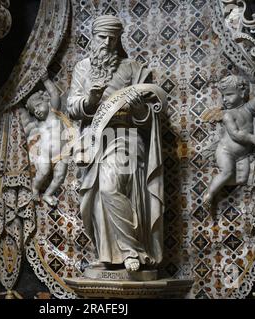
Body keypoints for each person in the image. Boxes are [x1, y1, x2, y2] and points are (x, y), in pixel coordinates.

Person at [67, 15, 164, 273]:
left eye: (112, 37)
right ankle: (107, 254)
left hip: (125, 138)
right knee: (97, 198)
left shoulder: (133, 69)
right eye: (102, 36)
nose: (107, 42)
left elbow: (152, 113)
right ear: (93, 37)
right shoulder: (83, 68)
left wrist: (139, 107)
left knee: (110, 189)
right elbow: (72, 106)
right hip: (94, 141)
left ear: (119, 39)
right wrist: (90, 100)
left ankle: (132, 250)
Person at [203, 75, 255, 209]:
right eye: (223, 96)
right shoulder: (228, 115)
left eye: (229, 95)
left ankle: (223, 181)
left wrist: (253, 80)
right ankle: (210, 193)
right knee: (227, 171)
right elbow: (235, 134)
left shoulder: (248, 109)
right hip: (226, 152)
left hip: (243, 155)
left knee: (243, 179)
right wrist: (251, 138)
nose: (224, 99)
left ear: (242, 93)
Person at [25, 74, 70, 207]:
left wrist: (45, 79)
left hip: (62, 153)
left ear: (46, 101)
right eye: (34, 111)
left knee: (60, 176)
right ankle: (35, 188)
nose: (37, 111)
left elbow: (54, 93)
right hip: (45, 153)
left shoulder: (53, 111)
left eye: (38, 106)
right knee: (43, 172)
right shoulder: (40, 123)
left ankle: (48, 194)